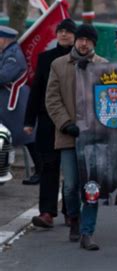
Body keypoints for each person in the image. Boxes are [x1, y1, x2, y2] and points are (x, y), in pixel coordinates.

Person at [45, 24, 107, 250]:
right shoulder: (59, 65)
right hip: (68, 135)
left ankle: (87, 232)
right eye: (80, 39)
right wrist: (65, 123)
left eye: (88, 40)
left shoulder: (104, 66)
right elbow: (52, 99)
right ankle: (73, 217)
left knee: (91, 186)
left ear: (93, 43)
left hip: (94, 139)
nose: (83, 43)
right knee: (71, 185)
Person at [24, 18, 76, 228]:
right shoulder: (45, 58)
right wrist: (29, 120)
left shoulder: (79, 59)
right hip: (47, 121)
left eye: (68, 32)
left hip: (72, 122)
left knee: (72, 170)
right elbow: (36, 90)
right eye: (61, 31)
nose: (64, 35)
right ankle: (47, 212)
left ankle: (70, 211)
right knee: (48, 167)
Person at [0, 26, 37, 182]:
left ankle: (40, 171)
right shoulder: (8, 52)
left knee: (27, 137)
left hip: (14, 102)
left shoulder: (13, 55)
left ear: (3, 39)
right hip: (8, 100)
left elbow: (3, 76)